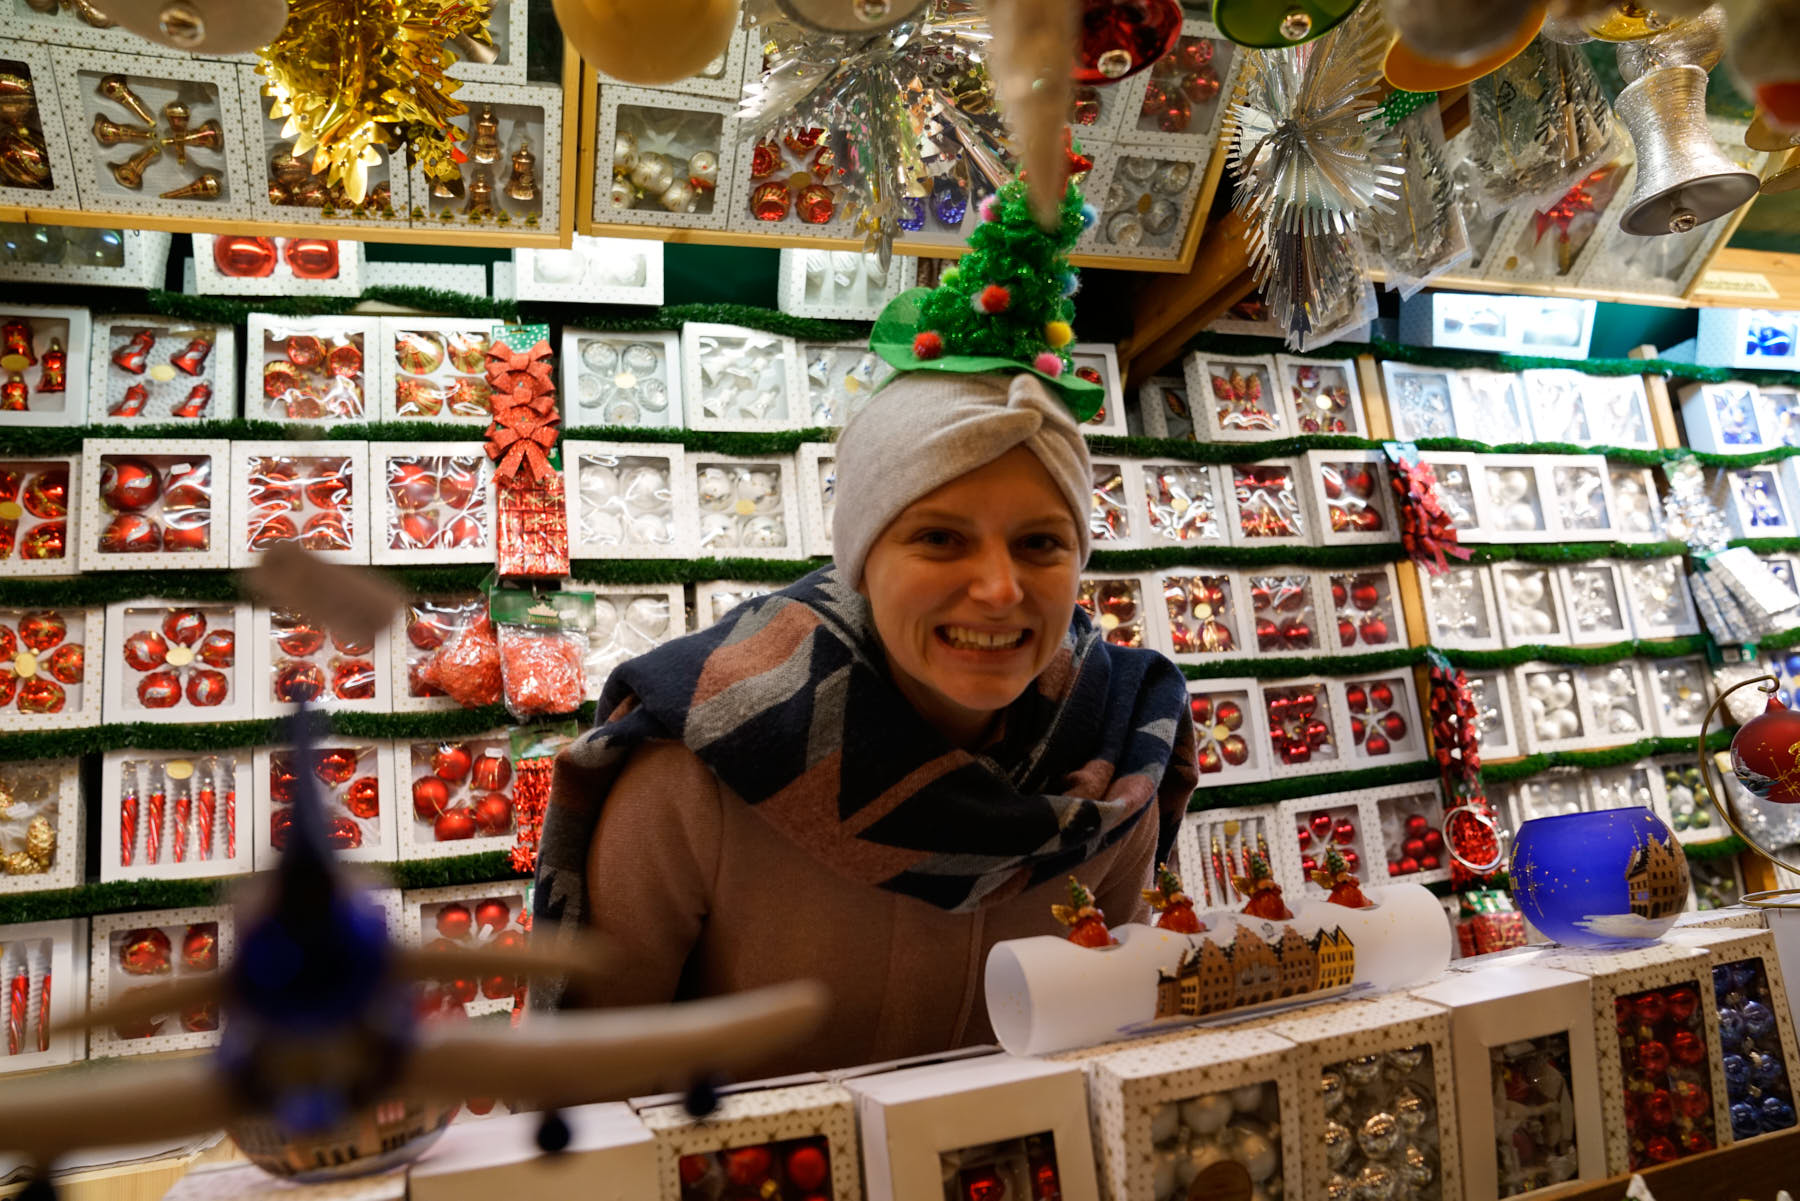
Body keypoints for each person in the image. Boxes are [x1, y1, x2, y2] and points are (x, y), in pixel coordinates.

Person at [532, 178, 1197, 1080]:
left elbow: (1097, 1043)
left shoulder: (1114, 756)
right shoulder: (701, 764)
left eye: (1041, 542)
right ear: (861, 556)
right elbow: (595, 1091)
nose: (999, 589)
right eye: (939, 538)